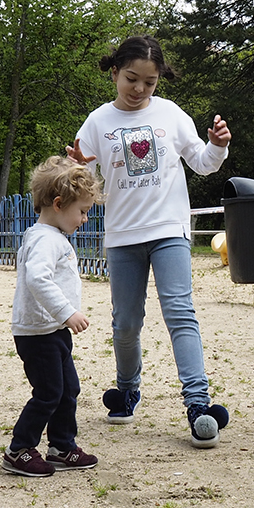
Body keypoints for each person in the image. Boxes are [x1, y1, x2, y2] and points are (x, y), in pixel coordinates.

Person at [67, 34, 232, 449]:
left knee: (180, 312)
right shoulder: (97, 122)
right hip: (122, 236)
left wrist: (217, 145)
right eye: (131, 78)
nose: (140, 89)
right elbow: (78, 177)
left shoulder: (171, 114)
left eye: (150, 82)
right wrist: (72, 170)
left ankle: (198, 404)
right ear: (114, 74)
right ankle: (127, 389)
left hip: (168, 230)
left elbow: (202, 163)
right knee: (125, 322)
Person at [2, 156, 103, 477]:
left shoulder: (52, 237)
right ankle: (19, 450)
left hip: (52, 331)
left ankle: (61, 446)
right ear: (58, 204)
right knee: (48, 394)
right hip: (38, 334)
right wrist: (67, 312)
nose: (85, 219)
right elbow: (37, 278)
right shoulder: (45, 240)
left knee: (67, 388)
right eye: (83, 211)